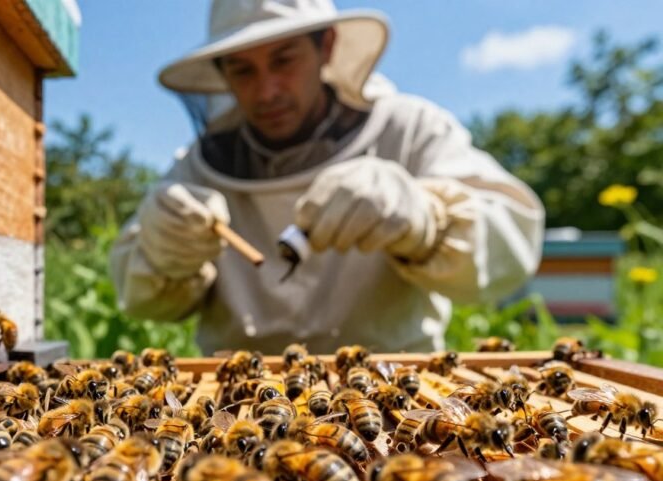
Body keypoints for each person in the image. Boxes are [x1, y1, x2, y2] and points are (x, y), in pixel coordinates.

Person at [110, 0, 545, 355]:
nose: (267, 91)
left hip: (396, 407)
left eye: (284, 60)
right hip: (239, 410)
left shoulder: (410, 130)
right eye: (243, 70)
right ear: (223, 75)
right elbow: (142, 297)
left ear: (327, 46)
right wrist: (163, 251)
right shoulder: (195, 165)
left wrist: (427, 218)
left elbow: (513, 243)